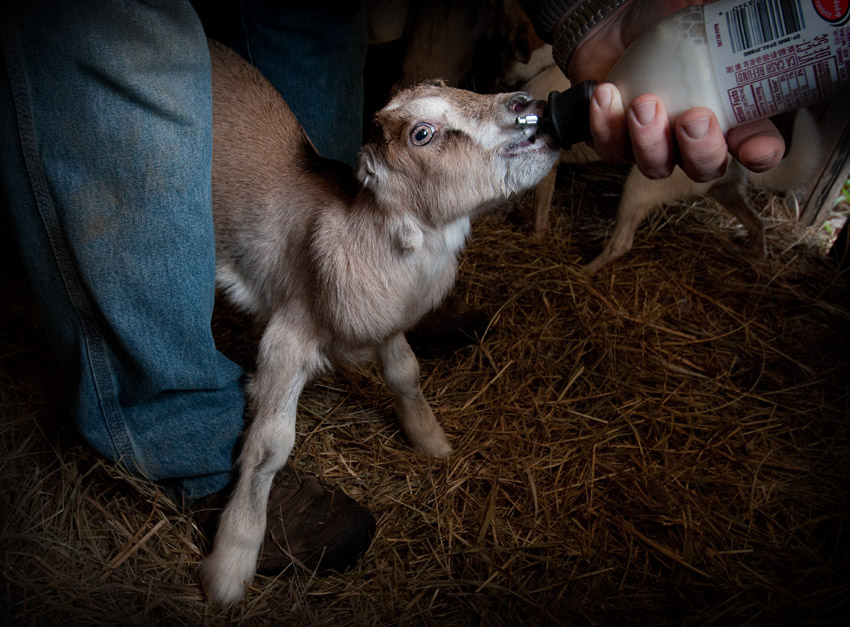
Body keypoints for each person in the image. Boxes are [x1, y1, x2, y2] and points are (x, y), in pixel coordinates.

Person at [0, 0, 784, 584]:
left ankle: (379, 327)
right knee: (125, 37)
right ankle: (189, 450)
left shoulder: (409, 216)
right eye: (422, 137)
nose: (503, 115)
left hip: (385, 225)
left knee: (308, 15)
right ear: (384, 172)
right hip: (255, 178)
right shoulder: (367, 201)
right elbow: (285, 343)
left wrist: (599, 15)